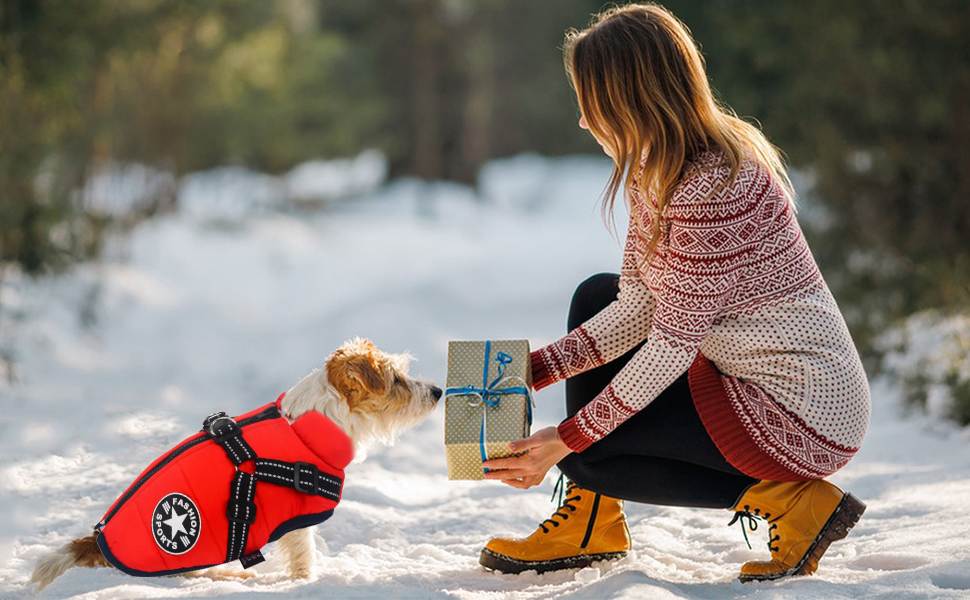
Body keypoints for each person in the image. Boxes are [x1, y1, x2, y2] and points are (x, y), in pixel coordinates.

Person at [478, 3, 871, 583]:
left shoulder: (713, 187)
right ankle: (592, 521)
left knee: (591, 452)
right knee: (596, 296)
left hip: (801, 409)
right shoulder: (656, 170)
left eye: (591, 105)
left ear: (629, 101)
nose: (583, 122)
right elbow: (638, 306)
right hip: (740, 376)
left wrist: (565, 439)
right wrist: (528, 373)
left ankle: (796, 502)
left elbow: (670, 345)